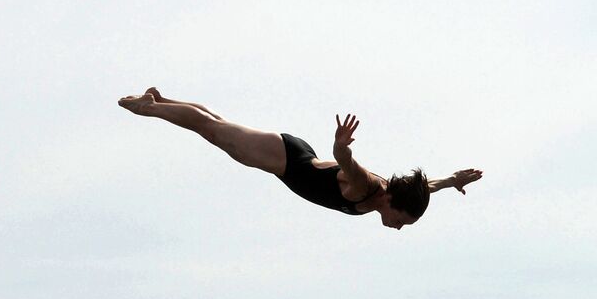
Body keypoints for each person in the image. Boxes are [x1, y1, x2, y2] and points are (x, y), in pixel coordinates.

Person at [118, 88, 482, 230]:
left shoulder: (389, 194)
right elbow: (345, 160)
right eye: (400, 220)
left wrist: (452, 180)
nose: (397, 227)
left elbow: (427, 186)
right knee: (214, 132)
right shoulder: (368, 187)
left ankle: (161, 100)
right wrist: (342, 145)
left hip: (295, 154)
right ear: (391, 202)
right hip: (288, 160)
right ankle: (150, 108)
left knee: (222, 129)